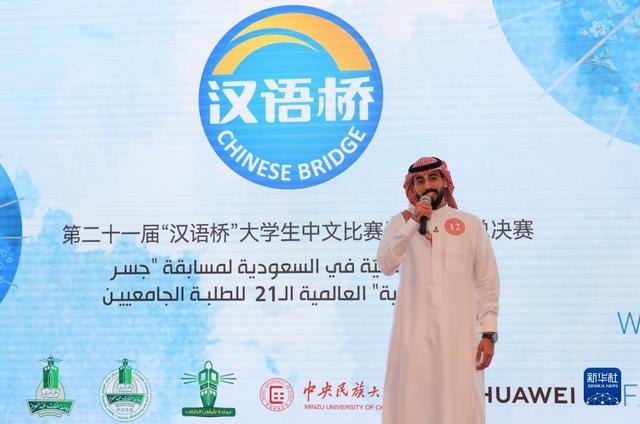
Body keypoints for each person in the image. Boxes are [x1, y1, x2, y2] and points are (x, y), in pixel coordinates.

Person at [378, 156, 500, 424]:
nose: (427, 186)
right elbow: (386, 265)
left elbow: (487, 281)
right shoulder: (400, 223)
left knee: (460, 405)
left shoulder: (470, 224)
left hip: (461, 336)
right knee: (413, 405)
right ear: (412, 187)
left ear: (445, 181)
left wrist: (489, 333)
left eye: (433, 178)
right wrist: (413, 223)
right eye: (420, 181)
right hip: (414, 336)